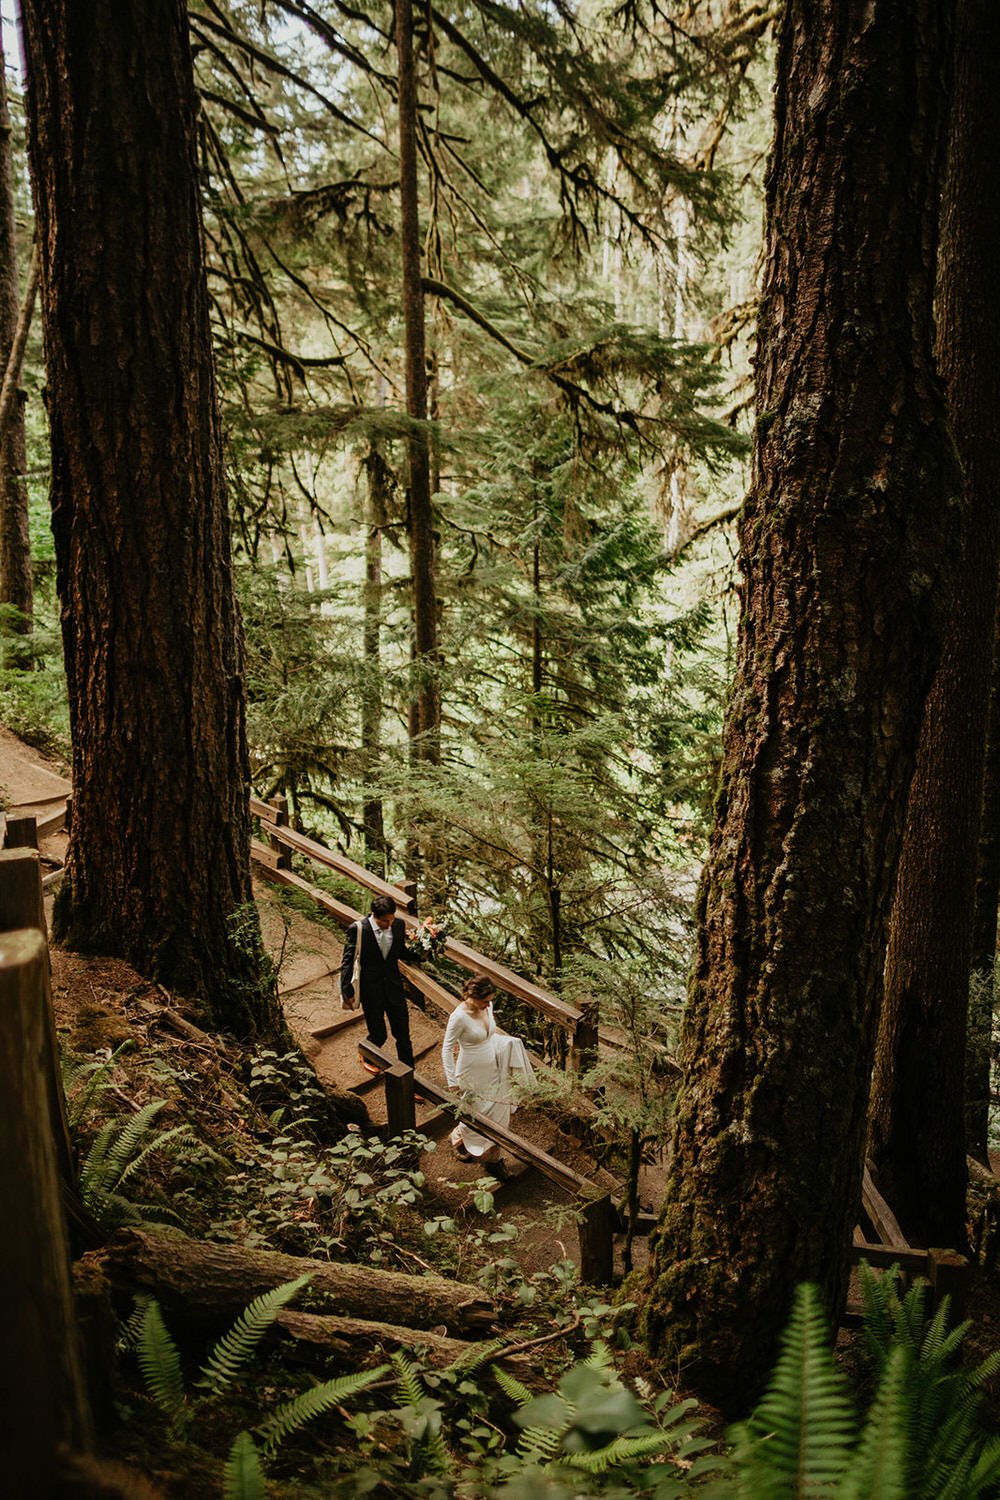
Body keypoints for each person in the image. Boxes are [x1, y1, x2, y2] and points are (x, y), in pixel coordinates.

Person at [441, 974, 534, 1179]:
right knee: (477, 1113)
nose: (488, 1005)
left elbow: (491, 1034)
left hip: (493, 1066)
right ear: (471, 995)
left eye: (490, 1001)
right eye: (485, 1001)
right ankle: (458, 1135)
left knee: (499, 1113)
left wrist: (508, 1046)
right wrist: (452, 1082)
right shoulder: (459, 1016)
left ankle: (493, 1161)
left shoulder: (487, 1007)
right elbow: (447, 1049)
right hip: (470, 1072)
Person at [340, 895, 417, 1069]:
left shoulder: (398, 925)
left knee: (403, 1035)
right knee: (379, 1034)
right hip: (371, 990)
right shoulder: (358, 929)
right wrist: (346, 990)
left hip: (394, 988)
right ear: (373, 915)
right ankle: (366, 1053)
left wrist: (421, 956)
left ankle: (411, 1079)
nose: (389, 924)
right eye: (384, 921)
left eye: (391, 919)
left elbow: (401, 951)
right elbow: (347, 960)